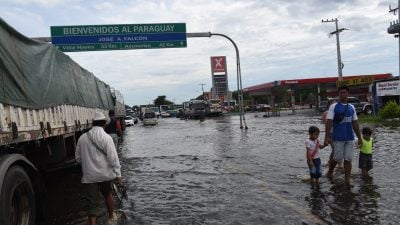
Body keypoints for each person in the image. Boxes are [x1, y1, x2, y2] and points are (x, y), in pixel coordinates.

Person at [75, 112, 122, 225]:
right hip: (105, 175)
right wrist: (118, 174)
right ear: (104, 124)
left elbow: (77, 158)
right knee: (108, 194)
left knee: (92, 204)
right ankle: (111, 218)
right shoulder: (107, 138)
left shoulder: (82, 138)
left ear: (92, 123)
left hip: (89, 177)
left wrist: (87, 165)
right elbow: (113, 158)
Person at [324, 86, 362, 185]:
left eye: (345, 92)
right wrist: (327, 136)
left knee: (348, 159)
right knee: (337, 158)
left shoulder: (352, 107)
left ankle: (347, 179)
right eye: (341, 93)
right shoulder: (334, 107)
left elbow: (355, 123)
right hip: (337, 138)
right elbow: (329, 122)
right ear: (338, 94)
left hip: (350, 138)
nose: (343, 94)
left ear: (348, 94)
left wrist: (360, 137)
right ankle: (330, 171)